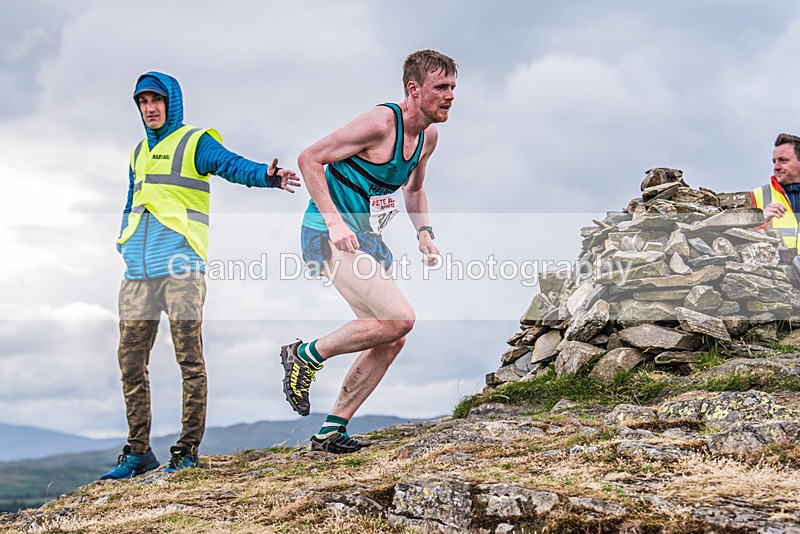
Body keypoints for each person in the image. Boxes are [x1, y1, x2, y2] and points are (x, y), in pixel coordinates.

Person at [100, 71, 299, 479]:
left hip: (182, 269)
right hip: (138, 272)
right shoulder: (138, 151)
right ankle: (139, 452)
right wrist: (122, 240)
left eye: (156, 100)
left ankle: (186, 450)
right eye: (142, 102)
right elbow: (130, 201)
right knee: (130, 362)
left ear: (171, 102)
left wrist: (267, 175)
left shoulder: (195, 142)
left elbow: (230, 164)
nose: (149, 108)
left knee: (188, 358)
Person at [280, 50, 457, 454]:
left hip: (365, 238)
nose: (449, 96)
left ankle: (330, 431)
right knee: (400, 318)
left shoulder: (428, 135)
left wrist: (424, 232)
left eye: (452, 88)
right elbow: (310, 158)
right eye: (440, 88)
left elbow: (413, 189)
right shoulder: (380, 124)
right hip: (327, 234)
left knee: (390, 338)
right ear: (413, 89)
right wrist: (335, 222)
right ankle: (304, 354)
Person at [752, 132, 800, 252]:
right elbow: (740, 238)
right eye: (774, 161)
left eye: (783, 160)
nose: (776, 167)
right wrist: (761, 220)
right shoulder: (758, 195)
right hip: (779, 268)